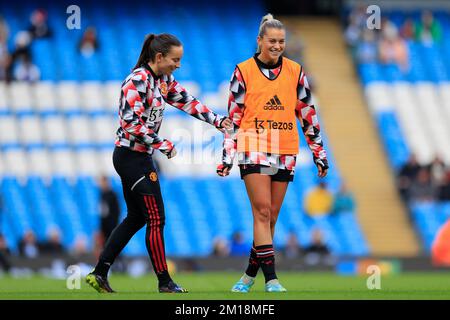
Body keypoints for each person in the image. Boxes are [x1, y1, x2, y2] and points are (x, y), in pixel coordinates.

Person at [86, 33, 232, 294]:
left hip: (140, 157)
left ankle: (99, 272)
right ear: (159, 57)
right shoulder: (136, 81)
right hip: (131, 157)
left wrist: (217, 121)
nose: (178, 65)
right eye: (175, 60)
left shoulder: (163, 80)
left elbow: (188, 101)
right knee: (156, 217)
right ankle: (165, 281)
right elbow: (129, 123)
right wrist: (161, 143)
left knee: (136, 218)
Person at [217, 14, 329, 293]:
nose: (278, 46)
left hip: (285, 150)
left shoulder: (296, 71)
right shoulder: (242, 71)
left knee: (271, 217)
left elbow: (307, 113)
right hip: (253, 148)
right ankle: (272, 279)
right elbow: (234, 117)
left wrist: (318, 151)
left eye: (281, 41)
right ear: (260, 41)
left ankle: (247, 276)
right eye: (272, 41)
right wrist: (227, 155)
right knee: (263, 211)